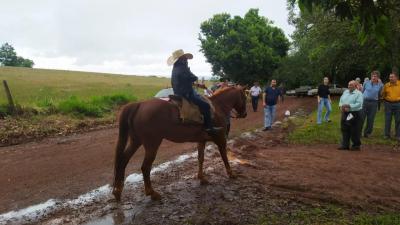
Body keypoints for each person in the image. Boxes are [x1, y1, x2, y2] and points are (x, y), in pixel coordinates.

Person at [168, 49, 222, 135]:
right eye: (185, 58)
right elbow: (193, 77)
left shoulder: (175, 68)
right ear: (181, 59)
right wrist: (193, 76)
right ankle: (209, 127)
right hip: (186, 93)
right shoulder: (183, 68)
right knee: (206, 105)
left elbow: (184, 80)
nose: (186, 60)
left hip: (177, 92)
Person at [338, 80, 364, 150]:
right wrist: (341, 106)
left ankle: (356, 145)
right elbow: (341, 100)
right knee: (344, 128)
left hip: (355, 113)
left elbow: (359, 104)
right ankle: (345, 145)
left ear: (355, 86)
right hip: (345, 113)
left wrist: (349, 106)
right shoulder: (345, 92)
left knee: (354, 130)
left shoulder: (359, 94)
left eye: (351, 85)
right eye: (349, 84)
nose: (349, 86)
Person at [361, 71, 383, 138]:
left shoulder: (380, 85)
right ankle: (358, 132)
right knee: (361, 117)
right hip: (365, 102)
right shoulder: (366, 83)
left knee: (371, 119)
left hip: (374, 103)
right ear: (371, 77)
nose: (374, 77)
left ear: (378, 78)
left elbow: (380, 94)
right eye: (373, 76)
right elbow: (362, 91)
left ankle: (367, 133)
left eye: (375, 76)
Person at [381, 68, 400, 140]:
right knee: (387, 119)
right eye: (390, 77)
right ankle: (386, 135)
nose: (390, 78)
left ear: (396, 77)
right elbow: (383, 94)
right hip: (388, 104)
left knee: (398, 120)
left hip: (398, 104)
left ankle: (398, 135)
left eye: (392, 77)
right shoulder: (386, 85)